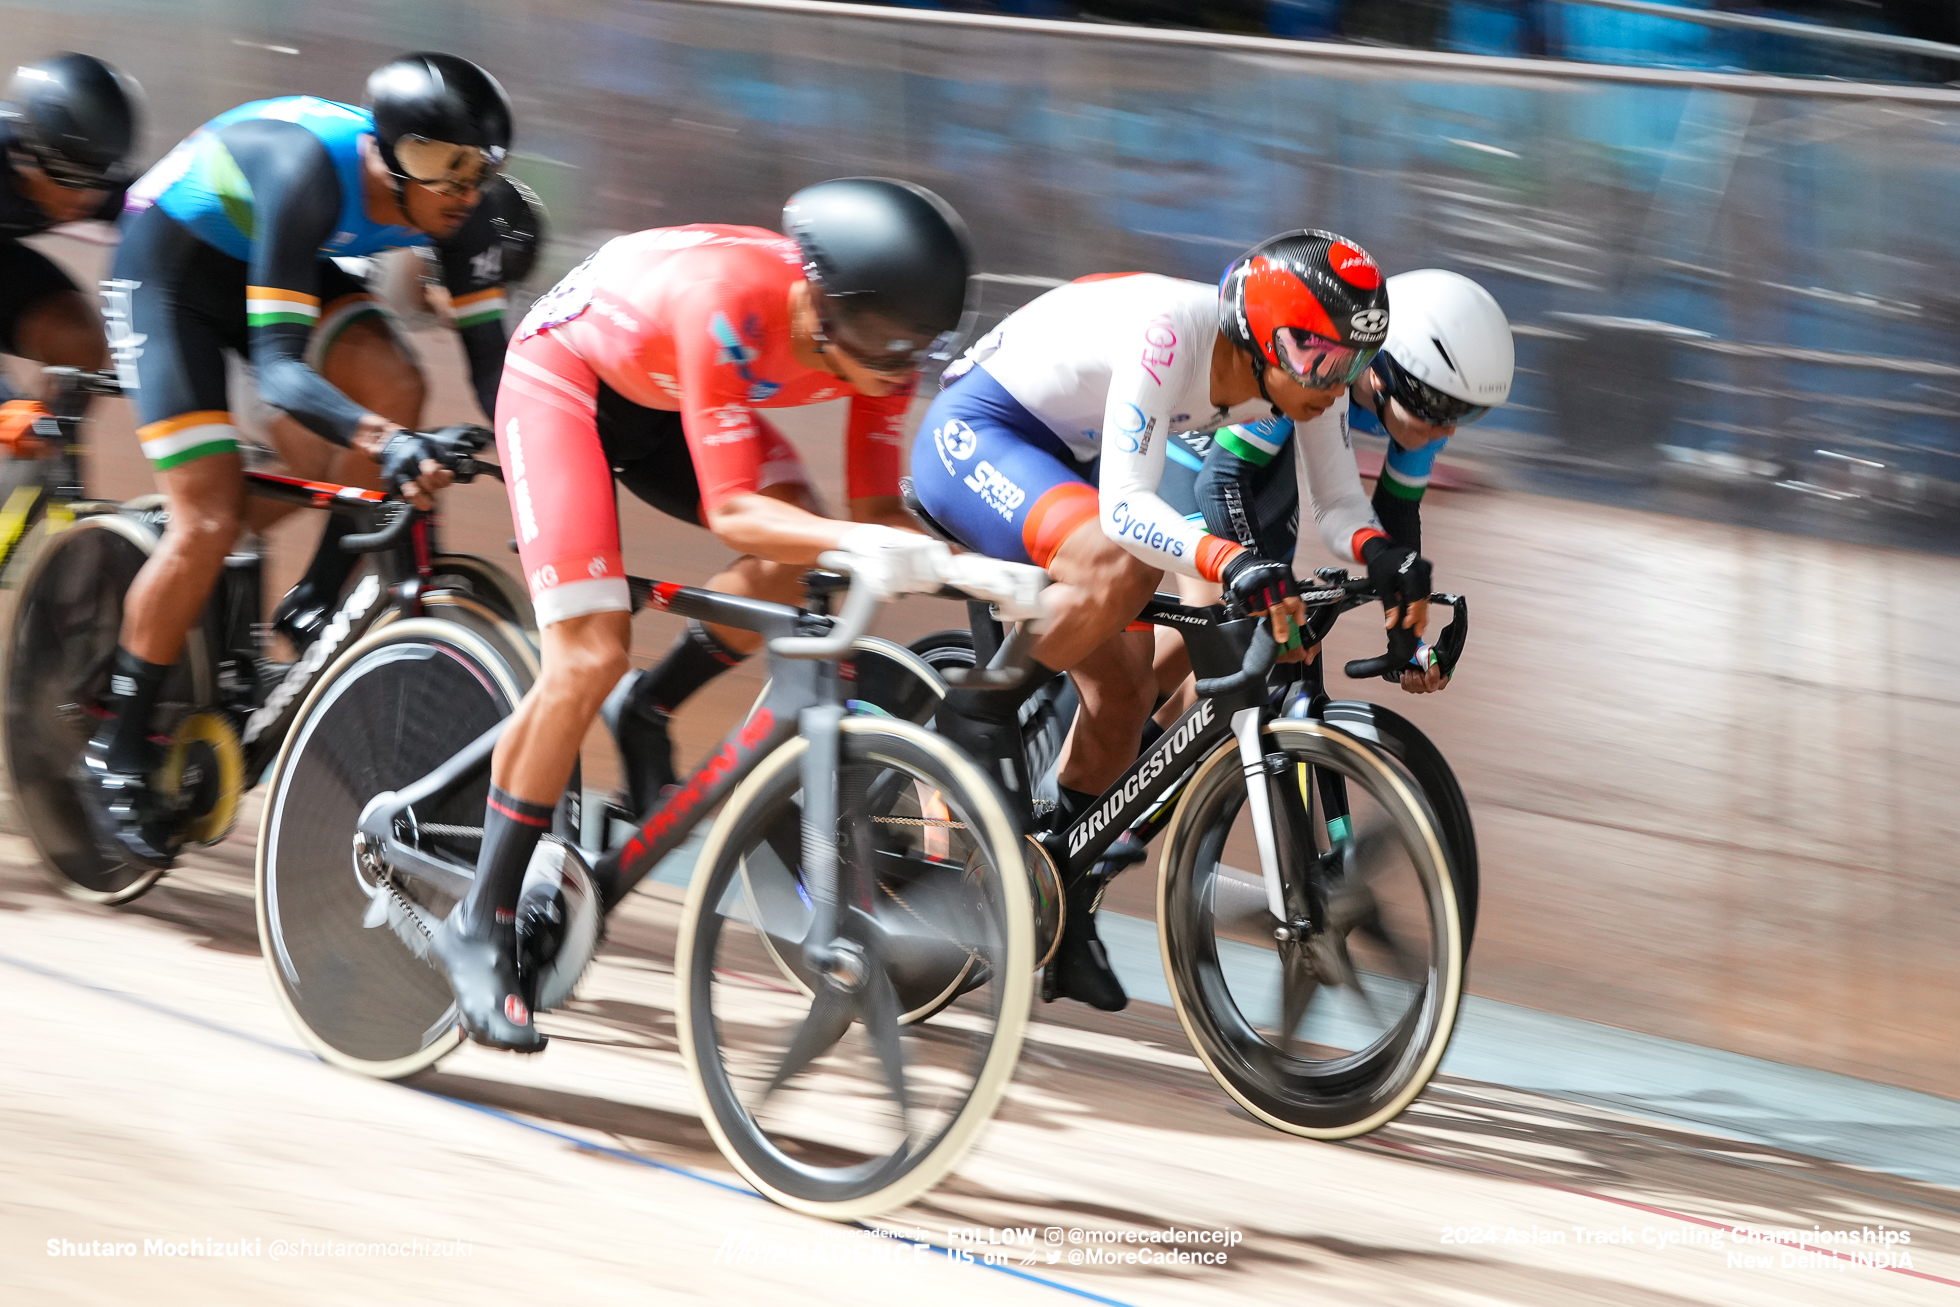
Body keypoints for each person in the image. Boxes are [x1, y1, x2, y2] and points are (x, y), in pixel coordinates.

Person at [435, 177, 971, 1051]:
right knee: (587, 651)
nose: (895, 381)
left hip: (669, 399)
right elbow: (733, 512)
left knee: (803, 552)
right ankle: (479, 920)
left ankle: (650, 705)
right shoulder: (728, 301)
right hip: (565, 385)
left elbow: (873, 515)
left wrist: (994, 574)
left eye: (911, 360)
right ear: (826, 311)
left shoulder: (879, 333)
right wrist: (868, 544)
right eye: (883, 360)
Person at [908, 230, 1432, 1012]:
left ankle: (1064, 900)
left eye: (1355, 366)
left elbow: (1336, 502)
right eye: (1326, 362)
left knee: (1122, 701)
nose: (1339, 383)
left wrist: (1383, 553)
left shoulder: (1299, 378)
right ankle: (973, 710)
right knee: (1125, 562)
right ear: (1268, 337)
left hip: (1063, 459)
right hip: (980, 432)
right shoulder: (1172, 331)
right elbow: (1124, 511)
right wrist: (1230, 561)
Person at [75, 52, 517, 868]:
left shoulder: (466, 214)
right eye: (438, 165)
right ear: (387, 151)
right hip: (168, 272)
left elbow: (497, 370)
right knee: (207, 518)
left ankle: (314, 592)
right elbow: (281, 368)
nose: (460, 191)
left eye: (478, 170)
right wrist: (387, 444)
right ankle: (117, 745)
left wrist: (541, 469)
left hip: (268, 256)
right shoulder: (306, 166)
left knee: (397, 385)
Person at [1150, 267, 1515, 707]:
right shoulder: (1311, 364)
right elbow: (1220, 480)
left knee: (1242, 642)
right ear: (1384, 375)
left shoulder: (1418, 410)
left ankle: (1163, 746)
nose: (1449, 431)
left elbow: (1396, 519)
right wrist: (1260, 594)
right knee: (1241, 627)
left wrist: (1409, 637)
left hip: (1256, 461)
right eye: (1443, 409)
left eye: (1465, 414)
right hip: (1200, 448)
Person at [261, 172, 548, 648]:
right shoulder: (399, 264)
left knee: (388, 445)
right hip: (274, 352)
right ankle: (311, 593)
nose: (483, 298)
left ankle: (309, 585)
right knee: (333, 449)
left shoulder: (429, 265)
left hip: (320, 351)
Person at [0, 53, 138, 440]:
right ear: (23, 155)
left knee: (79, 342)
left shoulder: (91, 170)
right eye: (70, 179)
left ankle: (34, 484)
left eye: (100, 178)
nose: (87, 198)